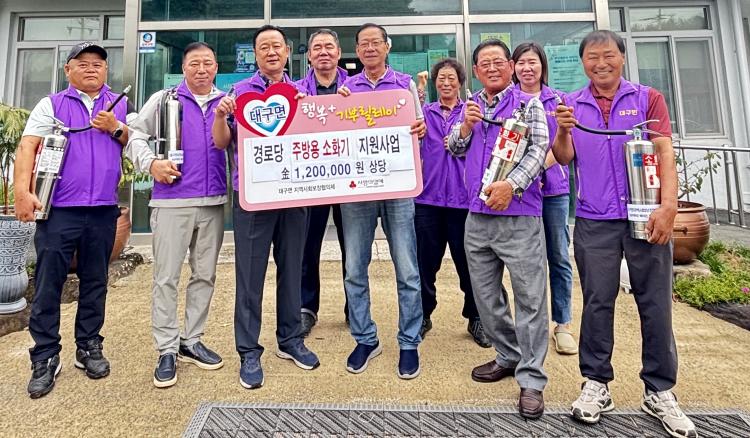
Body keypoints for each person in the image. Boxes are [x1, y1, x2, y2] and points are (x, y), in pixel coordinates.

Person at [553, 30, 697, 438]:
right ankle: (596, 383)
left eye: (609, 55)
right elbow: (564, 157)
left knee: (655, 303)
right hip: (594, 219)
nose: (601, 63)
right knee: (597, 302)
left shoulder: (648, 98)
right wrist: (562, 130)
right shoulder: (571, 103)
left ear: (622, 57)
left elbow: (664, 151)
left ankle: (659, 390)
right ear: (583, 62)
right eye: (592, 57)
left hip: (645, 216)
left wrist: (668, 206)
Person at [14, 42, 134, 398]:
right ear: (68, 69)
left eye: (98, 63)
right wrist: (22, 191)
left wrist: (115, 127)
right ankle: (45, 355)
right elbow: (28, 146)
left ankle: (89, 346)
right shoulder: (51, 104)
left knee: (96, 281)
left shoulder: (120, 103)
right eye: (83, 63)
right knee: (48, 283)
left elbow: (133, 142)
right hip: (59, 210)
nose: (91, 68)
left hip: (103, 209)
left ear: (106, 70)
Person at [212, 25, 319, 390]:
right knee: (250, 274)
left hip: (294, 194)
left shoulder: (304, 92)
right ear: (255, 54)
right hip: (253, 197)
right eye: (264, 47)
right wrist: (220, 116)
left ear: (287, 51)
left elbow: (326, 134)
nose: (271, 52)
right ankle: (248, 350)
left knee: (292, 269)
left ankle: (290, 340)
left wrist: (331, 107)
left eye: (277, 46)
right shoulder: (238, 93)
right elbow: (221, 142)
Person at [447, 39, 549, 419]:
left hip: (519, 216)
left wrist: (513, 186)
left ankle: (532, 379)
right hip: (477, 217)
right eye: (483, 63)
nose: (491, 68)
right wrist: (466, 126)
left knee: (530, 300)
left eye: (497, 62)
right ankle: (508, 354)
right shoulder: (471, 105)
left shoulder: (528, 104)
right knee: (486, 298)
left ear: (509, 66)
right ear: (475, 71)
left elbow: (539, 150)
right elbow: (454, 148)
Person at [126, 42, 227, 388]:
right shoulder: (164, 99)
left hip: (213, 201)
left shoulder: (225, 102)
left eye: (207, 63)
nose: (201, 69)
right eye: (194, 63)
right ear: (183, 68)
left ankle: (192, 340)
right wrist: (151, 164)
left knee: (205, 275)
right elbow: (135, 137)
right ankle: (167, 348)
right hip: (171, 202)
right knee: (166, 277)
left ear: (216, 68)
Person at [337, 23, 426, 380]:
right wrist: (335, 110)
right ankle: (365, 338)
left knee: (407, 269)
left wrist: (420, 129)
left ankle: (409, 341)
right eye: (364, 43)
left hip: (398, 188)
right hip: (357, 190)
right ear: (357, 50)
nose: (370, 48)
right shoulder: (347, 89)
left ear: (388, 46)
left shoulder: (405, 86)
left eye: (376, 42)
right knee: (354, 269)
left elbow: (420, 130)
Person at [413, 59, 490, 348]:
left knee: (469, 263)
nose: (446, 83)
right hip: (427, 199)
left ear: (460, 81)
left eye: (451, 78)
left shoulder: (472, 112)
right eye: (441, 78)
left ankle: (476, 317)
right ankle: (422, 315)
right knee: (424, 263)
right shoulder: (425, 113)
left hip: (463, 200)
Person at [511, 42, 577, 356]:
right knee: (525, 262)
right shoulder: (507, 101)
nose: (527, 68)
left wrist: (536, 167)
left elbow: (564, 146)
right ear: (513, 67)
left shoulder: (559, 100)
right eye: (521, 62)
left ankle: (562, 323)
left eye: (532, 62)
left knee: (558, 256)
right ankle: (529, 323)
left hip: (553, 191)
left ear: (542, 65)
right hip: (519, 195)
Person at [294, 29, 349, 336]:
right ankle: (306, 308)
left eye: (329, 46)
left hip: (350, 180)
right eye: (317, 47)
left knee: (353, 247)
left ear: (338, 53)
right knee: (306, 246)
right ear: (309, 56)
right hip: (310, 181)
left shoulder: (356, 88)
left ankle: (355, 307)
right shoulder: (295, 91)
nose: (323, 52)